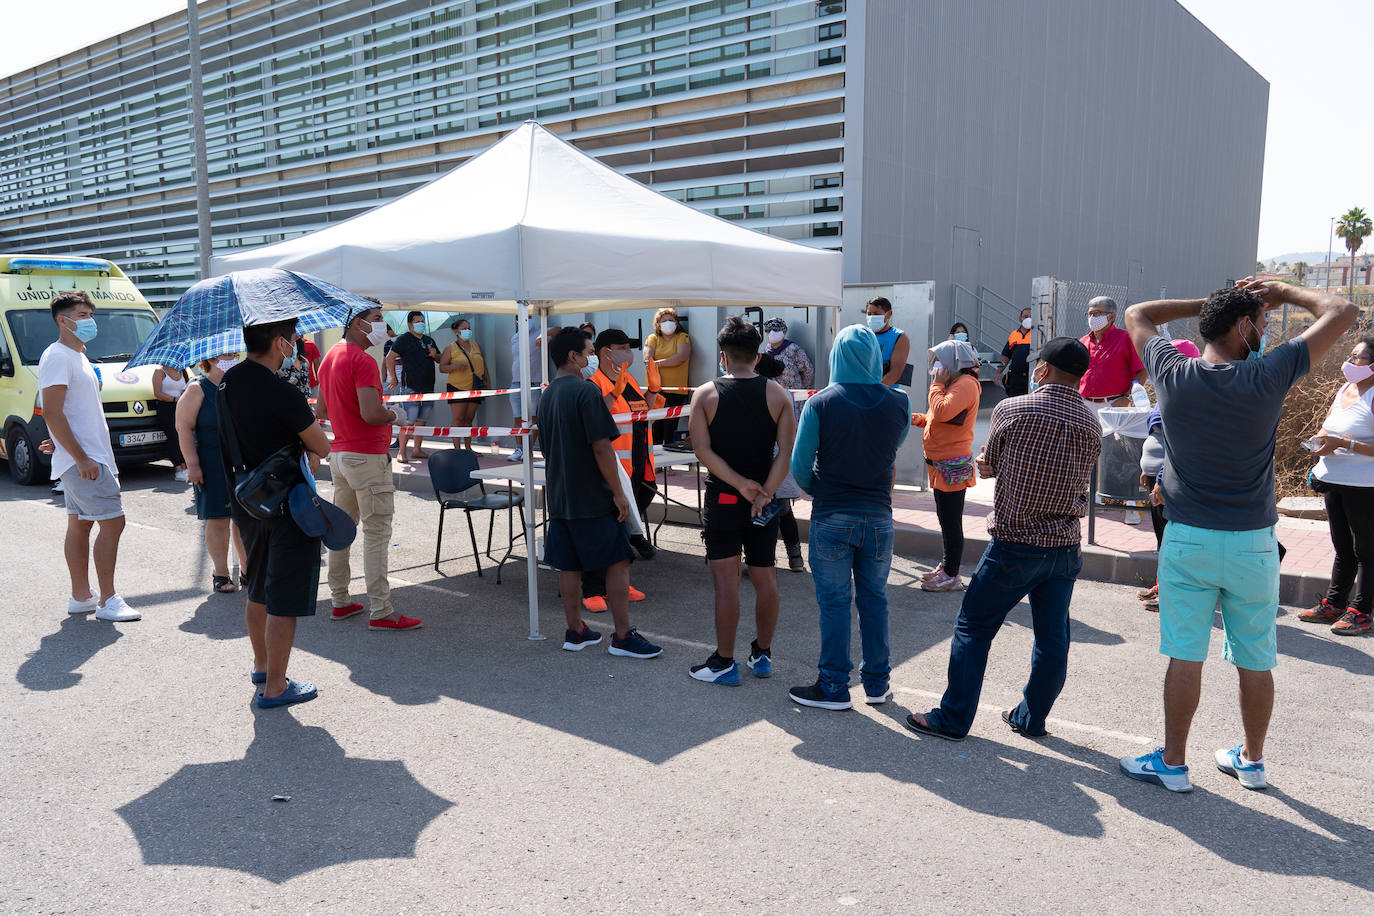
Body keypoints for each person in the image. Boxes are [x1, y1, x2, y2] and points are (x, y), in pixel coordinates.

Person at [1118, 280, 1355, 793]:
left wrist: (1213, 303)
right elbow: (1342, 310)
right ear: (1243, 326)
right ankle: (1250, 761)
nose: (1265, 330)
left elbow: (1138, 312)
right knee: (1255, 656)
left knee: (1186, 653)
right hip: (1252, 541)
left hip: (1188, 539)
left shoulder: (1171, 371)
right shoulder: (1267, 375)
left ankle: (1174, 764)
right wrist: (1284, 292)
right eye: (1261, 322)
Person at [905, 337, 1100, 741]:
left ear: (1042, 369)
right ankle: (1031, 717)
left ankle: (953, 718)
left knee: (974, 627)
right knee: (1052, 638)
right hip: (1065, 542)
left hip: (1016, 540)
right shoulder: (1091, 422)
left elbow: (989, 465)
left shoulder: (1014, 409)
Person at [786, 325, 910, 710]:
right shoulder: (899, 402)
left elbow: (800, 465)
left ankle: (834, 686)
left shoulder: (821, 402)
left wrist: (819, 489)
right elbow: (894, 444)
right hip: (879, 516)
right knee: (875, 601)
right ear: (875, 355)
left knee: (835, 603)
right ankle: (877, 685)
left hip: (833, 513)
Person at [220, 318, 332, 707]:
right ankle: (276, 687)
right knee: (283, 593)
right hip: (286, 501)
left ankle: (263, 666)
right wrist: (311, 449)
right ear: (280, 343)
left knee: (259, 585)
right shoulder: (281, 390)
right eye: (294, 338)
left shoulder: (225, 384)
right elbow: (321, 443)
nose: (297, 344)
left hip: (247, 497)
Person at [687, 317, 797, 686]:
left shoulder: (704, 394)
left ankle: (723, 662)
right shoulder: (778, 394)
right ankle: (762, 654)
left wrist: (740, 485)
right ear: (758, 353)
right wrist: (763, 490)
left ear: (723, 356)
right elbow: (786, 453)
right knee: (766, 577)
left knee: (726, 583)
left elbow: (702, 450)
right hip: (765, 502)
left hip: (724, 499)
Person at [541, 328, 662, 660]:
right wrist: (620, 494)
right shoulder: (586, 391)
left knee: (569, 565)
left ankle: (575, 629)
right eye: (589, 351)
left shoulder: (548, 394)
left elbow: (545, 447)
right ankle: (622, 635)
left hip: (561, 494)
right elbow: (602, 448)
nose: (592, 357)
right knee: (618, 561)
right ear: (573, 356)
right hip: (594, 493)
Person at [317, 304, 420, 633]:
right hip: (366, 455)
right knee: (376, 533)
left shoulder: (331, 355)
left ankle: (340, 600)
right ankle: (381, 609)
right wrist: (394, 415)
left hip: (341, 454)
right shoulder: (362, 360)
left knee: (341, 531)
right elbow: (372, 413)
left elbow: (321, 408)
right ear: (358, 323)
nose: (383, 326)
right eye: (377, 319)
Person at [39, 291, 140, 622]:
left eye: (89, 315)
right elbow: (52, 411)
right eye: (82, 315)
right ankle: (107, 600)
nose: (89, 321)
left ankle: (81, 596)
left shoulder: (78, 356)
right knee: (114, 522)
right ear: (62, 320)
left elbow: (70, 411)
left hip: (84, 454)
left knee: (81, 524)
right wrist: (80, 457)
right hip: (85, 459)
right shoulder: (57, 356)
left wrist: (59, 443)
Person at [1297, 335, 1374, 636]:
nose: (1350, 361)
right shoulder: (1345, 388)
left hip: (1364, 485)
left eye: (1358, 357)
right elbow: (1327, 426)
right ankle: (1335, 602)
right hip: (1333, 478)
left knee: (1366, 548)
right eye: (1351, 355)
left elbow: (1349, 438)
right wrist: (1319, 441)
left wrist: (1346, 443)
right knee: (1342, 547)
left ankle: (1362, 611)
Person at [1135, 339, 1202, 612]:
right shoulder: (1168, 390)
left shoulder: (1186, 397)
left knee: (1173, 538)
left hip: (1171, 479)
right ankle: (1164, 584)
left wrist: (1161, 479)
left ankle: (1174, 593)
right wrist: (1146, 469)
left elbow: (1178, 444)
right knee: (1163, 536)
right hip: (1157, 477)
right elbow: (1156, 436)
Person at [175, 352, 247, 595]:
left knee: (244, 519)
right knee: (218, 519)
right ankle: (221, 573)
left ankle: (248, 571)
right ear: (213, 359)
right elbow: (183, 427)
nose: (234, 358)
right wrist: (192, 465)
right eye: (228, 355)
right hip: (211, 463)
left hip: (241, 463)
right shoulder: (198, 389)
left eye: (235, 354)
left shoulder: (239, 384)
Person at [914, 338, 982, 592]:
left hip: (950, 465)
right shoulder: (956, 383)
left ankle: (952, 574)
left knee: (951, 522)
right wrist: (921, 419)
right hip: (941, 464)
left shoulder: (964, 384)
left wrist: (937, 384)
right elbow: (939, 417)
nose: (936, 366)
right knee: (945, 520)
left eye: (940, 362)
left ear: (955, 362)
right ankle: (947, 566)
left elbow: (942, 410)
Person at [591, 328, 660, 560]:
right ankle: (627, 541)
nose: (629, 353)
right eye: (623, 349)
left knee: (647, 493)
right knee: (619, 507)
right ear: (605, 352)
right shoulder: (595, 384)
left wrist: (653, 390)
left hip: (641, 457)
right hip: (618, 463)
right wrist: (612, 394)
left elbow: (643, 411)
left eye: (629, 348)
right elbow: (596, 419)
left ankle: (632, 532)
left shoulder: (628, 379)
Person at [754, 353, 807, 572]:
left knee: (766, 509)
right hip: (784, 456)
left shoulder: (762, 391)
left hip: (769, 456)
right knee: (784, 509)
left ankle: (763, 559)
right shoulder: (783, 391)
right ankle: (795, 557)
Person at [385, 310, 440, 463]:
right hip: (411, 387)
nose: (420, 324)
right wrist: (394, 378)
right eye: (417, 321)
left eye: (422, 321)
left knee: (422, 419)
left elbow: (440, 360)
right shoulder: (404, 339)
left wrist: (435, 355)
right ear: (410, 325)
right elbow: (389, 358)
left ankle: (417, 449)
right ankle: (402, 451)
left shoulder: (429, 340)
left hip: (428, 387)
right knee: (410, 419)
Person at [1079, 296, 1147, 419]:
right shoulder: (1083, 341)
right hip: (1085, 405)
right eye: (1090, 314)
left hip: (1115, 405)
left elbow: (1142, 371)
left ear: (1112, 316)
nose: (1092, 318)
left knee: (1113, 439)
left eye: (1097, 313)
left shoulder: (1126, 338)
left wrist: (1128, 398)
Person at [643, 307, 692, 444]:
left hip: (676, 391)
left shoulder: (683, 337)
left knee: (670, 428)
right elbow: (647, 360)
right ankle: (657, 464)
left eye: (671, 320)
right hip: (656, 391)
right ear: (658, 324)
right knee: (656, 428)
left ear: (676, 322)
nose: (668, 323)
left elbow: (681, 357)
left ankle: (668, 464)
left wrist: (657, 364)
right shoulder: (652, 338)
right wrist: (666, 362)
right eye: (664, 320)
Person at [439, 318, 489, 451]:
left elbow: (483, 364)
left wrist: (488, 381)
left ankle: (468, 447)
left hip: (475, 386)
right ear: (456, 331)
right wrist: (454, 366)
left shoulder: (475, 345)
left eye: (469, 328)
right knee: (458, 418)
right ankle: (457, 448)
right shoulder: (450, 348)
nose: (468, 331)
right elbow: (442, 367)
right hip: (457, 386)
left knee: (469, 418)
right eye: (464, 328)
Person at [507, 319, 545, 463]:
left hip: (533, 384)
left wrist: (544, 335)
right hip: (516, 383)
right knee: (518, 418)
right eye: (523, 318)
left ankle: (528, 450)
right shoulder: (515, 337)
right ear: (516, 322)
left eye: (529, 317)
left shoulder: (539, 332)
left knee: (533, 418)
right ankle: (520, 449)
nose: (527, 320)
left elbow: (557, 330)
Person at [151, 363, 189, 481]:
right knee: (173, 437)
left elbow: (186, 387)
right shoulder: (159, 371)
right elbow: (157, 393)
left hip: (181, 407)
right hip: (166, 408)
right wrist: (175, 399)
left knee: (183, 436)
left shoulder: (182, 370)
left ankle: (185, 466)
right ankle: (178, 468)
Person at [864, 296, 911, 389]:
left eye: (876, 314)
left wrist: (873, 393)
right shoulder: (863, 335)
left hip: (887, 394)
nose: (872, 317)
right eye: (869, 314)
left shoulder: (899, 337)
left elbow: (895, 373)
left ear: (889, 314)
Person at [994, 308, 1033, 396]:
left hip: (1031, 379)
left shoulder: (1037, 335)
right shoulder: (1014, 335)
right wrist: (999, 373)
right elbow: (1006, 357)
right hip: (1015, 379)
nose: (1028, 319)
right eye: (1025, 317)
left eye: (1031, 317)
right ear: (1020, 319)